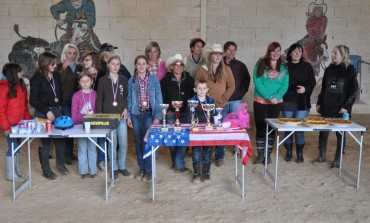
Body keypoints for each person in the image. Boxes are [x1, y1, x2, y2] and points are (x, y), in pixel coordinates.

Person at [316, 45, 358, 168]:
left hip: (342, 107)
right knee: (323, 131)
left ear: (343, 55)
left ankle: (337, 160)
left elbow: (354, 90)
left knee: (340, 133)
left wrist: (346, 106)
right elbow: (323, 88)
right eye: (333, 53)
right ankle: (322, 156)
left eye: (335, 53)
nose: (332, 55)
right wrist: (319, 103)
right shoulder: (329, 69)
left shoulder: (350, 69)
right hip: (327, 105)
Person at [30, 52, 69, 180]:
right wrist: (47, 111)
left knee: (60, 139)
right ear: (45, 63)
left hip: (57, 111)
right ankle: (46, 170)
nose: (55, 65)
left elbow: (60, 93)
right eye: (53, 63)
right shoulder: (36, 78)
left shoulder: (56, 75)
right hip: (43, 113)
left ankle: (60, 164)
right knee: (45, 142)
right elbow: (33, 100)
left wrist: (59, 107)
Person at [196, 43, 235, 166]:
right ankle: (207, 154)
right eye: (215, 54)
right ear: (211, 56)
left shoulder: (226, 69)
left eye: (219, 54)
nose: (218, 57)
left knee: (220, 131)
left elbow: (232, 86)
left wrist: (224, 97)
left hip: (221, 106)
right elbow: (197, 82)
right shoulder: (203, 69)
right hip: (207, 105)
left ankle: (220, 156)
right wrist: (203, 96)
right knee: (207, 129)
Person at [127, 55, 163, 181]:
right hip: (136, 115)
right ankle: (141, 168)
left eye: (144, 63)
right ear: (136, 66)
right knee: (137, 143)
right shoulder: (131, 81)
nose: (141, 66)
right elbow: (130, 99)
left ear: (147, 66)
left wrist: (158, 117)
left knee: (147, 142)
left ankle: (149, 170)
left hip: (149, 114)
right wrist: (129, 116)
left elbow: (159, 99)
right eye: (139, 64)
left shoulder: (154, 80)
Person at [253, 42, 289, 165]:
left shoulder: (284, 67)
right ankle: (260, 154)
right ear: (269, 52)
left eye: (278, 51)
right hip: (260, 101)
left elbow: (285, 85)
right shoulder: (260, 64)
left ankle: (267, 155)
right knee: (261, 127)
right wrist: (268, 97)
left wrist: (277, 97)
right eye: (273, 51)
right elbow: (257, 81)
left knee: (272, 128)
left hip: (275, 103)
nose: (276, 53)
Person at [96, 55, 131, 178]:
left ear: (120, 66)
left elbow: (127, 97)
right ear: (108, 65)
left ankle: (122, 166)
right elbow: (99, 98)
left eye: (117, 64)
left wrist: (126, 109)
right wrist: (100, 115)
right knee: (112, 143)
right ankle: (114, 167)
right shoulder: (102, 80)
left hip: (121, 117)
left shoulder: (124, 80)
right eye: (113, 64)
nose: (115, 66)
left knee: (124, 143)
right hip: (108, 117)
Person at [282, 43, 316, 163]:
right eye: (295, 51)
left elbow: (312, 82)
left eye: (300, 51)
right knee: (288, 128)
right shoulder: (284, 67)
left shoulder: (307, 66)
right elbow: (280, 83)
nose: (297, 53)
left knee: (300, 129)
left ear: (302, 54)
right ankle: (289, 151)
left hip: (302, 102)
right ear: (290, 53)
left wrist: (305, 89)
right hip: (287, 101)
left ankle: (300, 153)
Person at [161, 54, 194, 173]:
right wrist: (167, 110)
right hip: (170, 112)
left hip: (185, 112)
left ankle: (178, 164)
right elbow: (163, 97)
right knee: (172, 138)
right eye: (176, 64)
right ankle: (177, 162)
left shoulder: (190, 80)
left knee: (183, 138)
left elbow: (192, 96)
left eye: (181, 64)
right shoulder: (165, 81)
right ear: (171, 66)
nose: (179, 66)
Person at [0, 63, 30, 182]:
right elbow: (1, 110)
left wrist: (26, 122)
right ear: (13, 73)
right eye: (19, 71)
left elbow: (25, 106)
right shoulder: (3, 88)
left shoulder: (21, 85)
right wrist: (6, 127)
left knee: (18, 147)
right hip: (11, 125)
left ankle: (16, 171)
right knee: (13, 147)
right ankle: (10, 174)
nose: (22, 73)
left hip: (20, 124)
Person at [56, 43, 81, 165]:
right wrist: (63, 70)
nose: (72, 55)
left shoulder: (76, 67)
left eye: (74, 53)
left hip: (75, 101)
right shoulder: (59, 66)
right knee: (66, 126)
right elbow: (56, 84)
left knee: (73, 127)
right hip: (64, 101)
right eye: (69, 53)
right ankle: (65, 155)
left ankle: (70, 153)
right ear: (65, 54)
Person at [186, 79, 214, 183]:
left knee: (207, 152)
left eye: (204, 88)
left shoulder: (211, 101)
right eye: (199, 88)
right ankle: (197, 173)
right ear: (195, 89)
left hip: (207, 131)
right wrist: (192, 124)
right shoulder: (191, 101)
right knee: (196, 152)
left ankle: (206, 172)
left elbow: (213, 115)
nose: (202, 90)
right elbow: (189, 116)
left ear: (207, 89)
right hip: (196, 131)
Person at [71, 71, 97, 179]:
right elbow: (74, 111)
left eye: (87, 81)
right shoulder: (76, 95)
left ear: (91, 81)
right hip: (80, 126)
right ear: (79, 82)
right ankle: (83, 171)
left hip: (93, 126)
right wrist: (76, 125)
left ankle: (93, 170)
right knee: (82, 148)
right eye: (82, 81)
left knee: (92, 148)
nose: (85, 83)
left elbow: (98, 110)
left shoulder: (95, 94)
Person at [82, 51, 105, 170]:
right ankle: (87, 161)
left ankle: (101, 159)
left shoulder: (102, 74)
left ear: (94, 61)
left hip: (99, 107)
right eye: (84, 60)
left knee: (100, 135)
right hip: (86, 109)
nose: (84, 62)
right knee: (86, 135)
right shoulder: (82, 75)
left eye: (87, 60)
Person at [223, 41, 251, 114]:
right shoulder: (219, 64)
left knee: (236, 122)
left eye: (234, 50)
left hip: (236, 100)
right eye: (229, 49)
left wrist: (240, 93)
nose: (232, 52)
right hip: (221, 99)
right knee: (221, 122)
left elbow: (246, 80)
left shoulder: (240, 65)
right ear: (225, 50)